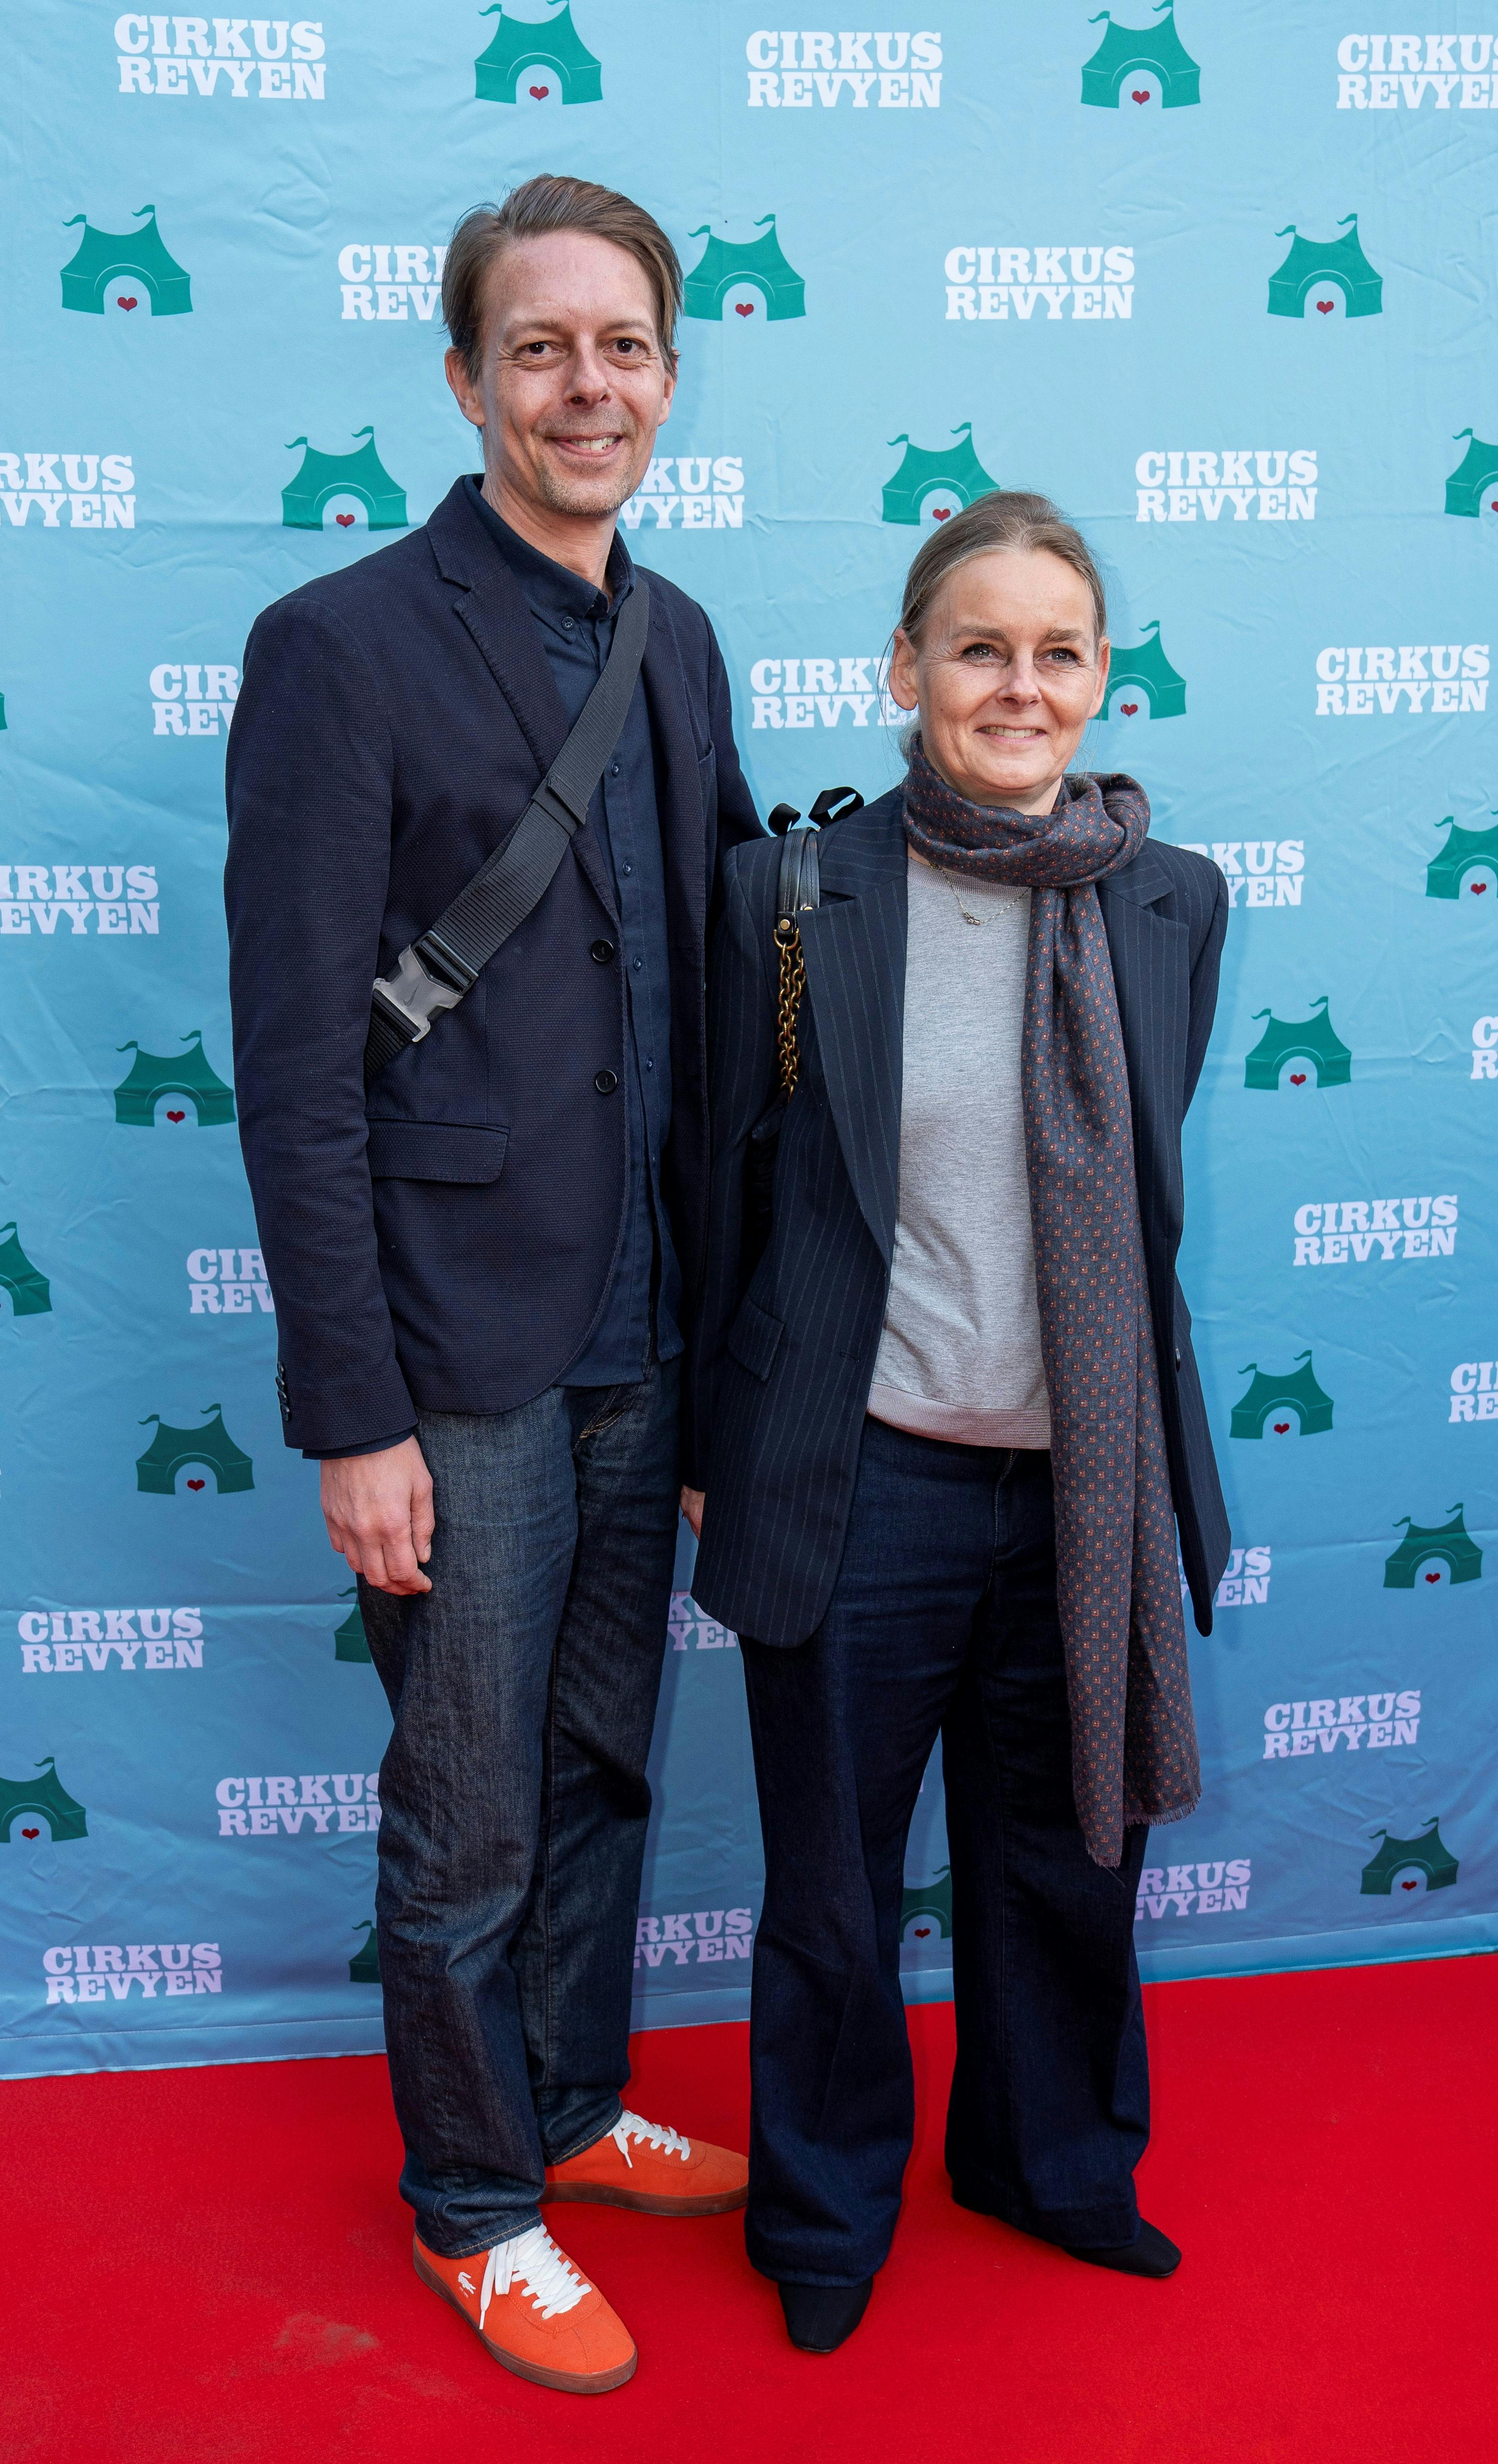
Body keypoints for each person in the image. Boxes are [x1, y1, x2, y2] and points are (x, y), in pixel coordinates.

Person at [225, 175, 760, 2397]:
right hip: (446, 1353)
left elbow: (730, 991)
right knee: (465, 1812)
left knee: (607, 1761)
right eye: (539, 346)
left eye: (623, 344)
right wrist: (349, 1408)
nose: (586, 383)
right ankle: (473, 2204)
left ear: (666, 377)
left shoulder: (685, 634)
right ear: (465, 381)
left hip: (645, 1326)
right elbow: (288, 1067)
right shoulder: (338, 643)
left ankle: (560, 2102)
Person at [682, 491, 1230, 2353]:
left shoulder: (1170, 898)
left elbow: (1135, 1203)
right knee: (832, 1891)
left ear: (1098, 677)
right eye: (977, 646)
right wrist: (704, 1446)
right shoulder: (789, 893)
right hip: (863, 1473)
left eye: (1056, 649)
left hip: (1087, 1480)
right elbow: (717, 1192)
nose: (1018, 682)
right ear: (904, 667)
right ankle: (823, 2213)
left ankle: (1053, 2164)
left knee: (1070, 1856)